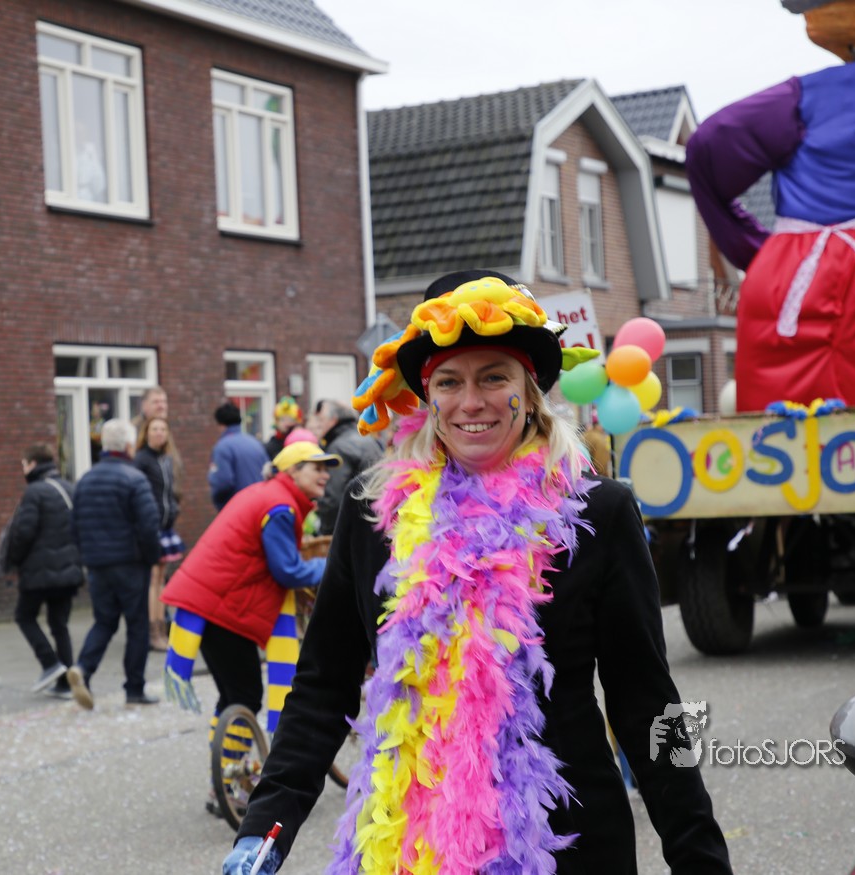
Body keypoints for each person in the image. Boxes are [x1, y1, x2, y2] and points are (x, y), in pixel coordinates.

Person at [223, 271, 732, 874]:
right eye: (449, 381)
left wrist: (699, 855)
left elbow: (646, 700)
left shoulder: (597, 513)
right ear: (427, 397)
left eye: (494, 377)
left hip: (562, 845)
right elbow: (322, 687)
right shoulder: (373, 515)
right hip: (410, 845)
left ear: (529, 391)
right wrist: (265, 830)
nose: (471, 402)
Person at [686, 0, 855, 411]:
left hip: (797, 278)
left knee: (792, 429)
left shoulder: (792, 102)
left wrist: (761, 253)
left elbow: (707, 150)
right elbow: (707, 151)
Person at [161, 440, 338, 814]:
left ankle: (223, 780)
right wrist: (331, 565)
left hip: (206, 601)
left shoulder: (267, 494)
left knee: (233, 696)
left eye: (327, 468)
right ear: (292, 471)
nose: (325, 475)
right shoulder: (280, 507)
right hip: (220, 606)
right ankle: (228, 783)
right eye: (316, 467)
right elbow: (287, 570)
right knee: (244, 695)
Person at [68, 419, 162, 708]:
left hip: (97, 565)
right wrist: (152, 557)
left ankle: (83, 669)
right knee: (137, 626)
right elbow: (148, 526)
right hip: (130, 564)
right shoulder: (135, 479)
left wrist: (86, 557)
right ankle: (134, 689)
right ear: (129, 446)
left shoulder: (85, 480)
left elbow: (74, 525)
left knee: (104, 621)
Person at [3, 443, 82, 698]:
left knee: (24, 616)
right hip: (69, 570)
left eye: (24, 465)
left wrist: (14, 560)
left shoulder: (34, 492)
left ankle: (49, 663)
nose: (23, 470)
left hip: (39, 572)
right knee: (59, 624)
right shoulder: (69, 488)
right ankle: (66, 684)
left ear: (33, 464)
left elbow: (24, 532)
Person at [134, 415, 184, 652]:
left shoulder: (166, 459)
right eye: (154, 429)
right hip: (151, 528)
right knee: (153, 580)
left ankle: (162, 629)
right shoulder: (141, 460)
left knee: (161, 579)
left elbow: (170, 491)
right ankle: (153, 632)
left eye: (163, 429)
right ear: (146, 433)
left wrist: (174, 509)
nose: (159, 433)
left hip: (165, 527)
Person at [306, 399, 383, 536]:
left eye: (321, 419)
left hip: (353, 528)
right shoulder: (368, 440)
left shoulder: (338, 447)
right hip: (375, 521)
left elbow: (332, 499)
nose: (317, 424)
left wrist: (326, 532)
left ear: (333, 420)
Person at [207, 401, 269, 511]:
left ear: (221, 425)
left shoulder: (222, 448)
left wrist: (219, 503)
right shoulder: (256, 443)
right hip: (261, 507)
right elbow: (268, 473)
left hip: (238, 509)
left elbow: (222, 482)